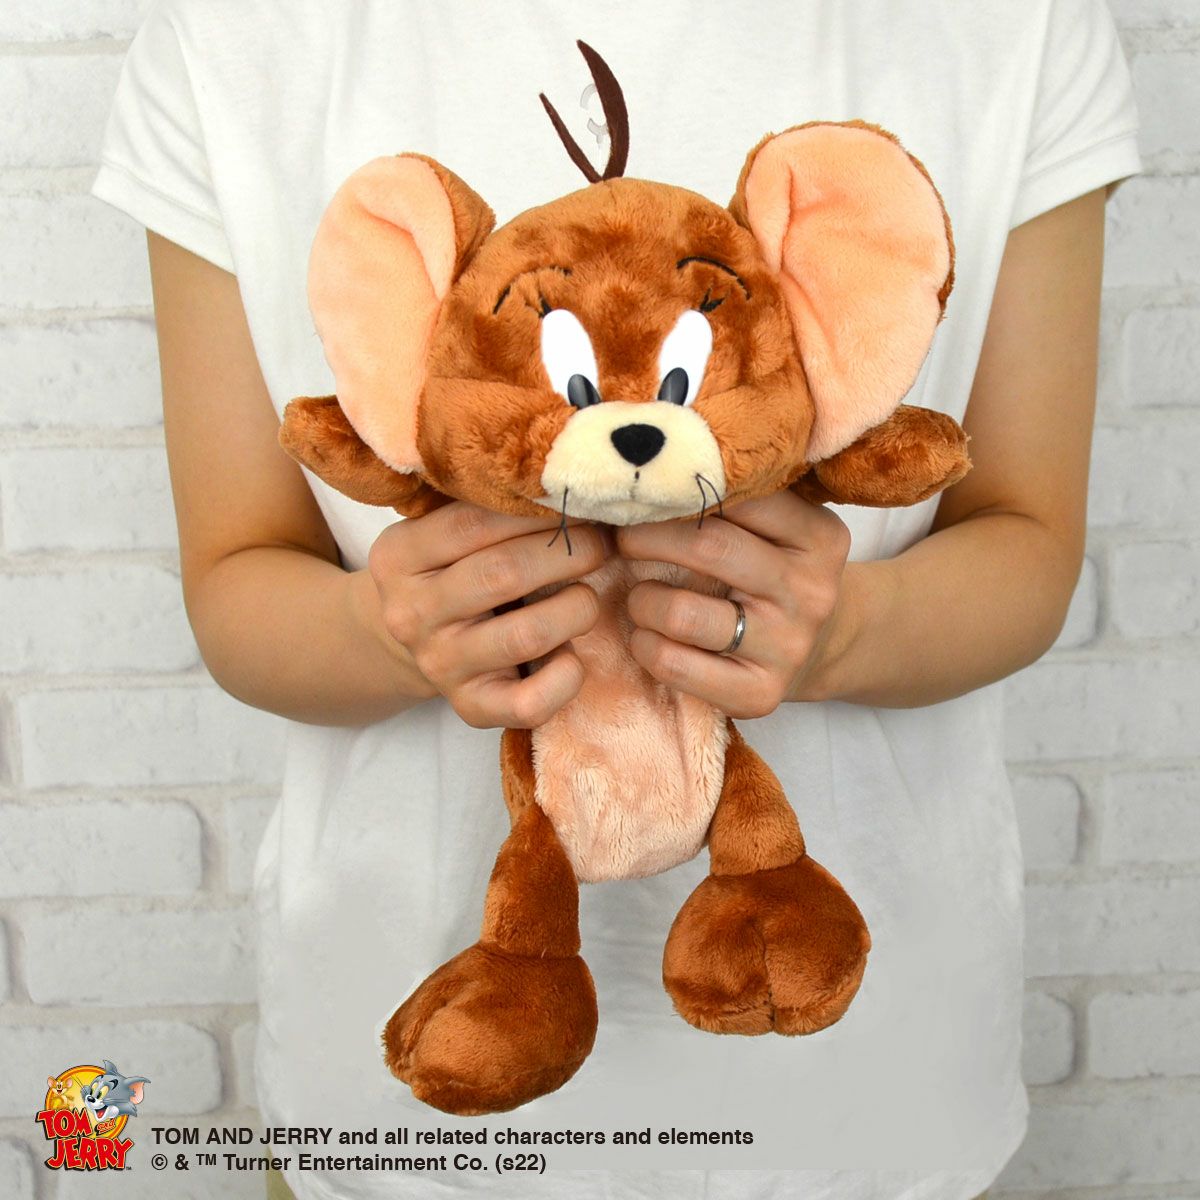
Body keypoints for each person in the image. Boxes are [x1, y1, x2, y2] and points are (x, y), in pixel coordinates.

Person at [92, 1, 1140, 1197]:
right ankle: (520, 968)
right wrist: (385, 633)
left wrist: (849, 632)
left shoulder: (1012, 26)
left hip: (871, 1107)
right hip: (399, 1121)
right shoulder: (235, 37)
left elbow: (1027, 539)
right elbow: (237, 577)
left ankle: (760, 899)